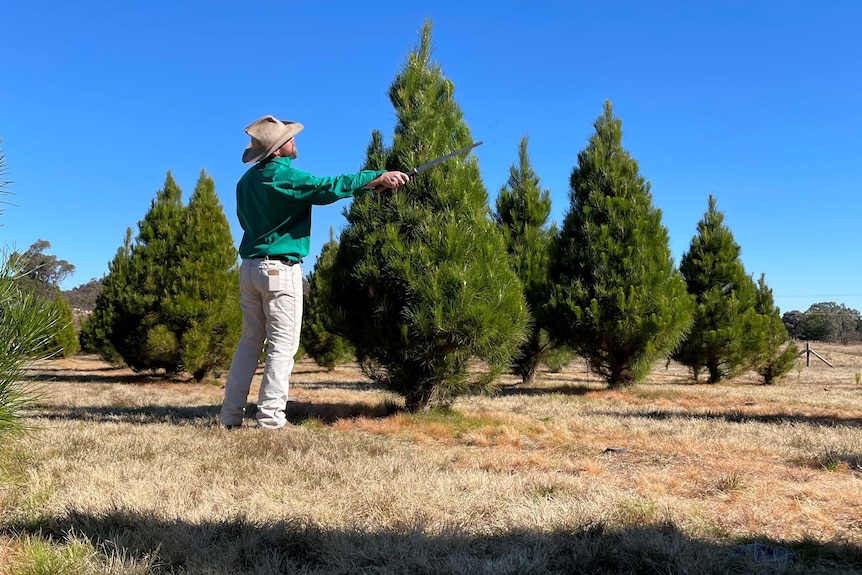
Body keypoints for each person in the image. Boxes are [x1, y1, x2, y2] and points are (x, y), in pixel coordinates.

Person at [219, 115, 410, 429]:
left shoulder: (245, 183)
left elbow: (245, 221)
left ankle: (230, 416)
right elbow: (327, 188)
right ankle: (270, 418)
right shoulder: (285, 177)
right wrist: (378, 177)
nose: (295, 142)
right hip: (279, 269)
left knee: (249, 343)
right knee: (282, 346)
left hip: (249, 268)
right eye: (289, 139)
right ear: (278, 149)